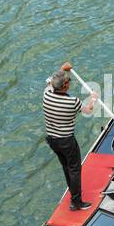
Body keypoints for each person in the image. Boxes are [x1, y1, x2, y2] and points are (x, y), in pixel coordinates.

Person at [42, 64, 97, 212]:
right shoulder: (73, 102)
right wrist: (93, 98)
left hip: (52, 140)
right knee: (74, 169)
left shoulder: (46, 94)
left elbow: (49, 83)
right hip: (66, 141)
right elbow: (88, 110)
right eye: (69, 81)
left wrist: (61, 71)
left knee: (66, 166)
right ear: (65, 85)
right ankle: (76, 202)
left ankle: (73, 193)